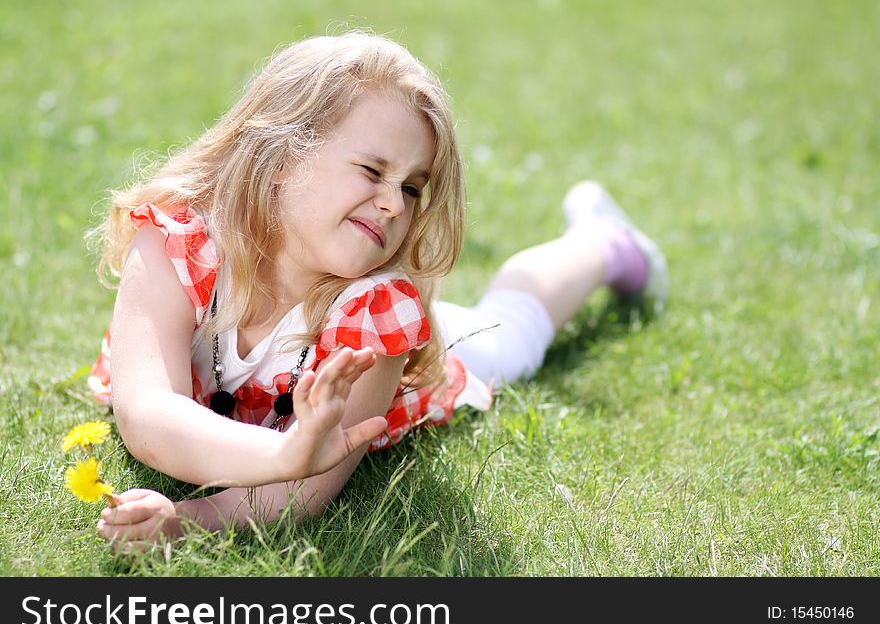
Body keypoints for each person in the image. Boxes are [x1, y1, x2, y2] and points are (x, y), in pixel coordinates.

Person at [91, 32, 667, 551]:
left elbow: (302, 491)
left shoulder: (377, 315)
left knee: (510, 328)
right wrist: (281, 455)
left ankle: (603, 244)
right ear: (281, 158)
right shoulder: (177, 244)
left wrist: (189, 518)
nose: (394, 203)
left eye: (412, 188)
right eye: (372, 171)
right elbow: (147, 413)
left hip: (441, 358)